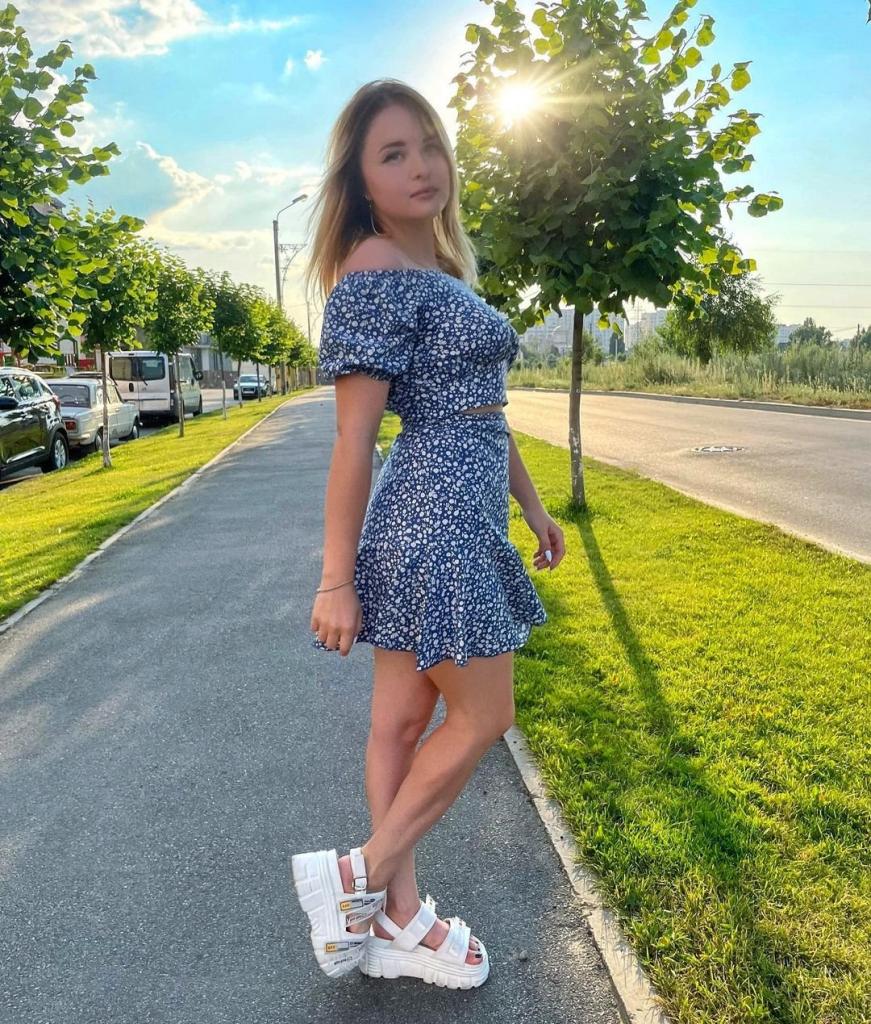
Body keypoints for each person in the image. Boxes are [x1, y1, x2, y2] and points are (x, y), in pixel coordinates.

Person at [292, 79, 565, 990]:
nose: (421, 166)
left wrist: (533, 508)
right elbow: (353, 438)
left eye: (430, 146)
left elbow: (485, 412)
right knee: (485, 714)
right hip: (431, 520)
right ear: (361, 180)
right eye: (393, 153)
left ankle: (394, 918)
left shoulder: (441, 273)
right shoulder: (370, 270)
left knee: (403, 720)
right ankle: (358, 878)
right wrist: (335, 578)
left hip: (463, 507)